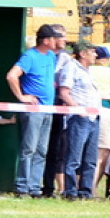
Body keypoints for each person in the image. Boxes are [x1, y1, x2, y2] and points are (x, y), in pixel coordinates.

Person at [6, 23, 62, 197]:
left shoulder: (52, 57)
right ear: (45, 40)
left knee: (41, 150)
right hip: (34, 111)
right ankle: (22, 186)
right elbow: (11, 75)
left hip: (48, 110)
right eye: (54, 38)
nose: (57, 41)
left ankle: (34, 187)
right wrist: (22, 97)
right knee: (29, 148)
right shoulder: (29, 56)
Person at [57, 42, 102, 200]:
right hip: (79, 118)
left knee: (90, 159)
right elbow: (64, 92)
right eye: (92, 52)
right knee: (74, 157)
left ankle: (85, 190)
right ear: (82, 54)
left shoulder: (88, 72)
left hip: (94, 119)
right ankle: (70, 191)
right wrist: (78, 109)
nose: (95, 55)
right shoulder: (71, 68)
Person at [42, 23, 71, 198]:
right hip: (43, 106)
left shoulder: (67, 59)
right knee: (38, 148)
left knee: (56, 149)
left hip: (59, 108)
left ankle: (49, 187)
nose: (65, 40)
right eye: (61, 36)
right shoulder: (43, 56)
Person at [87, 45, 110, 191]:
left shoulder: (88, 69)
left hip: (95, 110)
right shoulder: (107, 71)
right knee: (102, 153)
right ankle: (92, 188)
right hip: (106, 110)